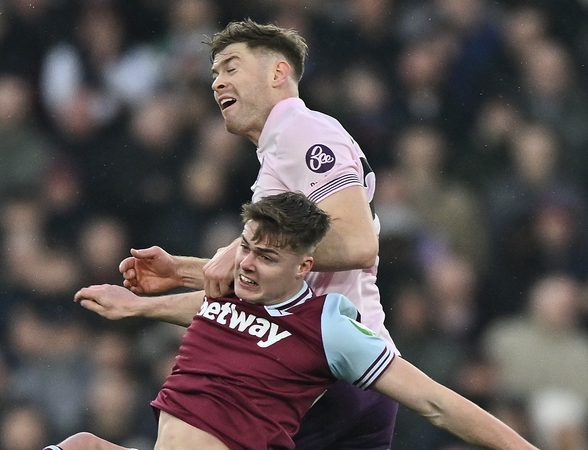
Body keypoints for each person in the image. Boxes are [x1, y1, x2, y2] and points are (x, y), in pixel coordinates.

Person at [80, 19, 398, 449]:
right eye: (214, 73)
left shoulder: (301, 132)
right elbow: (259, 295)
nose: (217, 82)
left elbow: (358, 244)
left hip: (322, 375)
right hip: (350, 375)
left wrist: (236, 252)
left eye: (231, 67)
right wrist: (181, 275)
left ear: (278, 73)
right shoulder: (278, 156)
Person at [40, 191, 535, 450]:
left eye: (267, 258)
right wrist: (140, 307)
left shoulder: (329, 325)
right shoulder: (227, 292)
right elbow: (213, 312)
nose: (249, 264)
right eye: (247, 249)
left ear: (304, 267)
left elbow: (435, 402)